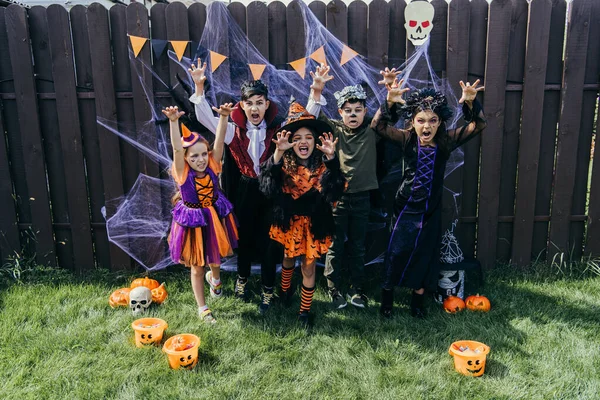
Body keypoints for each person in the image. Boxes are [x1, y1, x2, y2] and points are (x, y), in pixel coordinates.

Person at [375, 78, 486, 318]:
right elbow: (379, 127)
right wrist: (388, 102)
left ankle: (417, 304)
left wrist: (471, 102)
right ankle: (387, 302)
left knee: (424, 254)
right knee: (396, 252)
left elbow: (478, 125)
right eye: (421, 120)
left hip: (430, 210)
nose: (427, 126)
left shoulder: (445, 142)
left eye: (433, 120)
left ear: (440, 122)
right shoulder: (407, 139)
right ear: (412, 122)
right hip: (405, 207)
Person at [188, 59, 282, 314]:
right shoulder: (231, 131)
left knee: (270, 239)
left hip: (270, 190)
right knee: (245, 237)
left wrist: (315, 94)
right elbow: (206, 118)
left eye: (259, 103)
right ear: (242, 105)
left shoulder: (278, 130)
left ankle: (267, 289)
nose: (254, 108)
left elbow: (304, 121)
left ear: (267, 105)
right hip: (245, 190)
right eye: (249, 103)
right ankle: (241, 282)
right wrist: (199, 88)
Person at [305, 64, 394, 309]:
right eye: (348, 111)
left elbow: (386, 112)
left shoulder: (372, 132)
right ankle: (334, 289)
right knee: (334, 246)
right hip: (337, 199)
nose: (353, 115)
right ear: (340, 112)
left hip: (363, 199)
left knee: (357, 245)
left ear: (365, 112)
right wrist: (317, 90)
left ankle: (358, 290)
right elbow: (311, 117)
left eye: (357, 110)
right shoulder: (334, 129)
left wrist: (389, 89)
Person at [259, 102, 345, 327]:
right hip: (289, 223)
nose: (303, 142)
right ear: (290, 143)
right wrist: (278, 152)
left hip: (313, 225)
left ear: (316, 141)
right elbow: (267, 184)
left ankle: (304, 311)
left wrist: (332, 160)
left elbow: (336, 189)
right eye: (296, 138)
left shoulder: (323, 165)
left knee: (308, 266)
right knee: (287, 258)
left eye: (308, 137)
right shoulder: (284, 164)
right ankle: (285, 292)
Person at [163, 103, 239, 323]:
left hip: (213, 216)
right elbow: (177, 148)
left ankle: (215, 280)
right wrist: (174, 122)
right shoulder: (182, 173)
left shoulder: (213, 166)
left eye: (203, 154)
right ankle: (203, 307)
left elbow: (219, 142)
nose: (200, 159)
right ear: (186, 158)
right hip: (192, 220)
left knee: (216, 258)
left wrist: (224, 117)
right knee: (197, 266)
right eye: (194, 156)